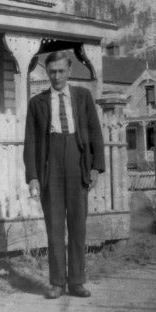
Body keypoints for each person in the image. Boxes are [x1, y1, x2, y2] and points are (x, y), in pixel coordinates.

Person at [23, 50, 105, 299]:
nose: (56, 76)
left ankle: (77, 282)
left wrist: (96, 166)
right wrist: (33, 176)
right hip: (51, 164)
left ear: (69, 70)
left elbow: (94, 132)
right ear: (47, 73)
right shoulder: (37, 103)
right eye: (52, 72)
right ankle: (57, 282)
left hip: (77, 160)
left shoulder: (83, 96)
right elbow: (31, 142)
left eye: (60, 71)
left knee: (78, 226)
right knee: (55, 226)